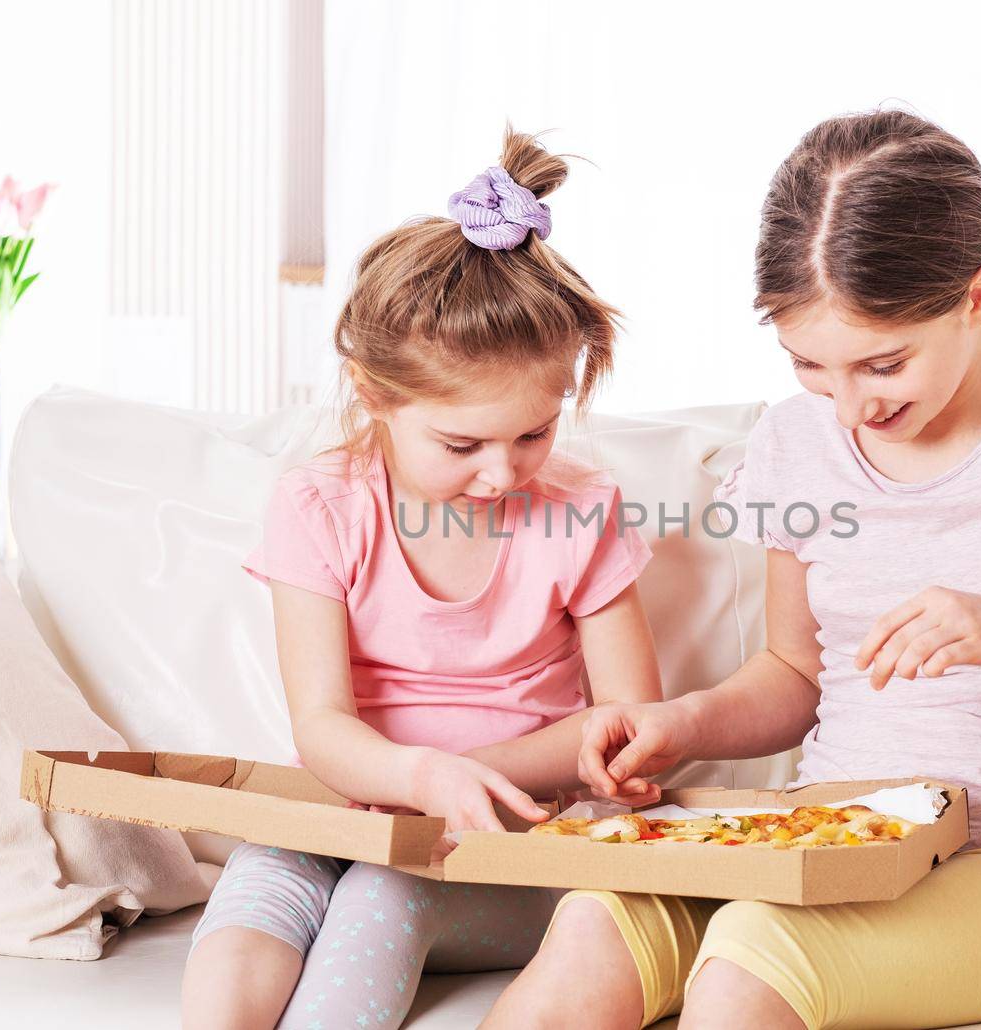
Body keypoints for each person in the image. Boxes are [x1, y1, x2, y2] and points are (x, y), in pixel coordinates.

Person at [488, 109, 981, 1030]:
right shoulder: (795, 442)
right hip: (825, 836)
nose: (848, 408)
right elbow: (796, 675)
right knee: (596, 926)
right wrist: (681, 723)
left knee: (755, 959)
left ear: (978, 294)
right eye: (811, 367)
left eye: (883, 365)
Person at [181, 128, 664, 1030]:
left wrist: (461, 781)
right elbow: (322, 726)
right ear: (374, 394)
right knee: (258, 892)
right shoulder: (321, 506)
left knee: (379, 896)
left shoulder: (583, 512)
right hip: (349, 805)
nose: (502, 474)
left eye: (533, 434)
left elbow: (629, 730)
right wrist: (416, 776)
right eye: (461, 444)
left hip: (512, 842)